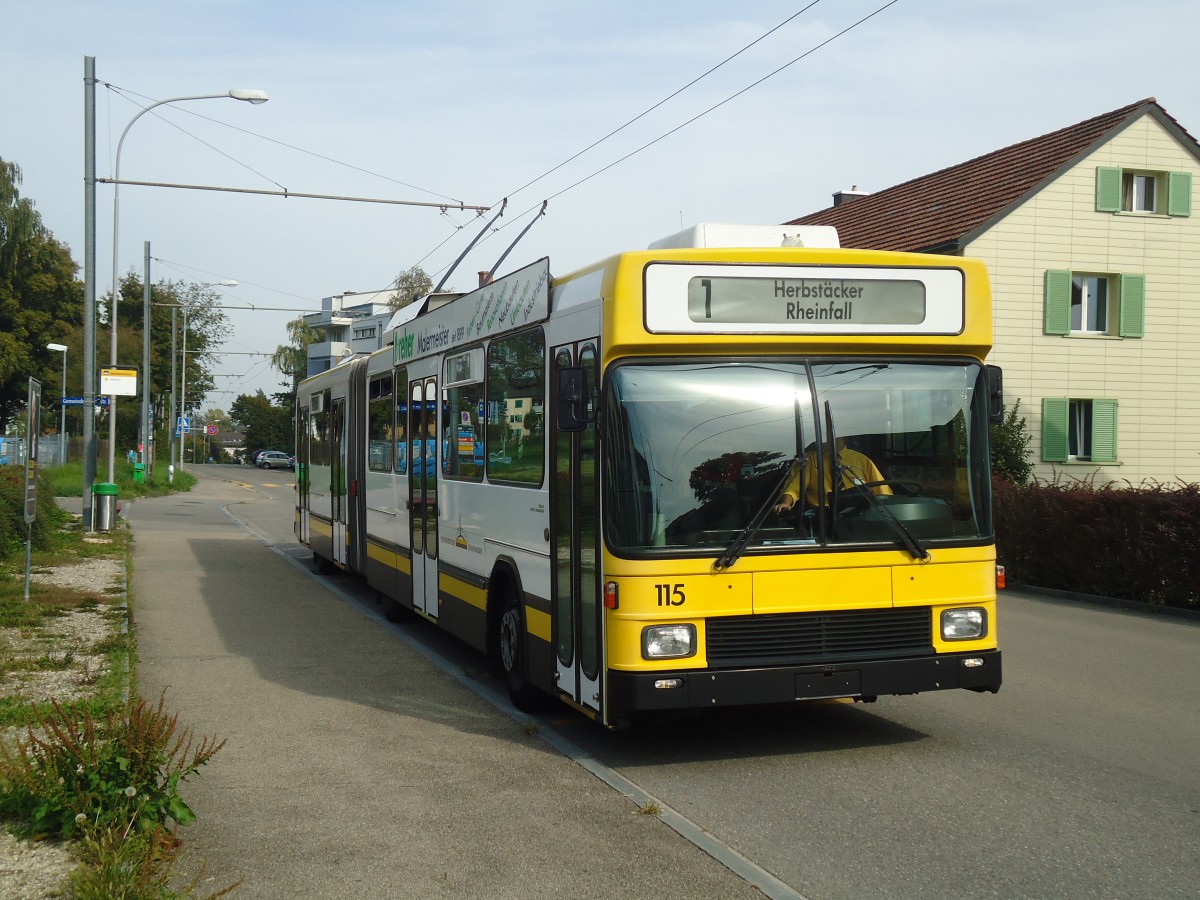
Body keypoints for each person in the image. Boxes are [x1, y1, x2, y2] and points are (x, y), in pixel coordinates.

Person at [773, 438, 891, 514]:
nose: (830, 437)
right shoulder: (809, 460)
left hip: (859, 518)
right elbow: (793, 488)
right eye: (827, 433)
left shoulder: (862, 460)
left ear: (844, 435)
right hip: (822, 519)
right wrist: (786, 502)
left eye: (834, 432)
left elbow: (883, 493)